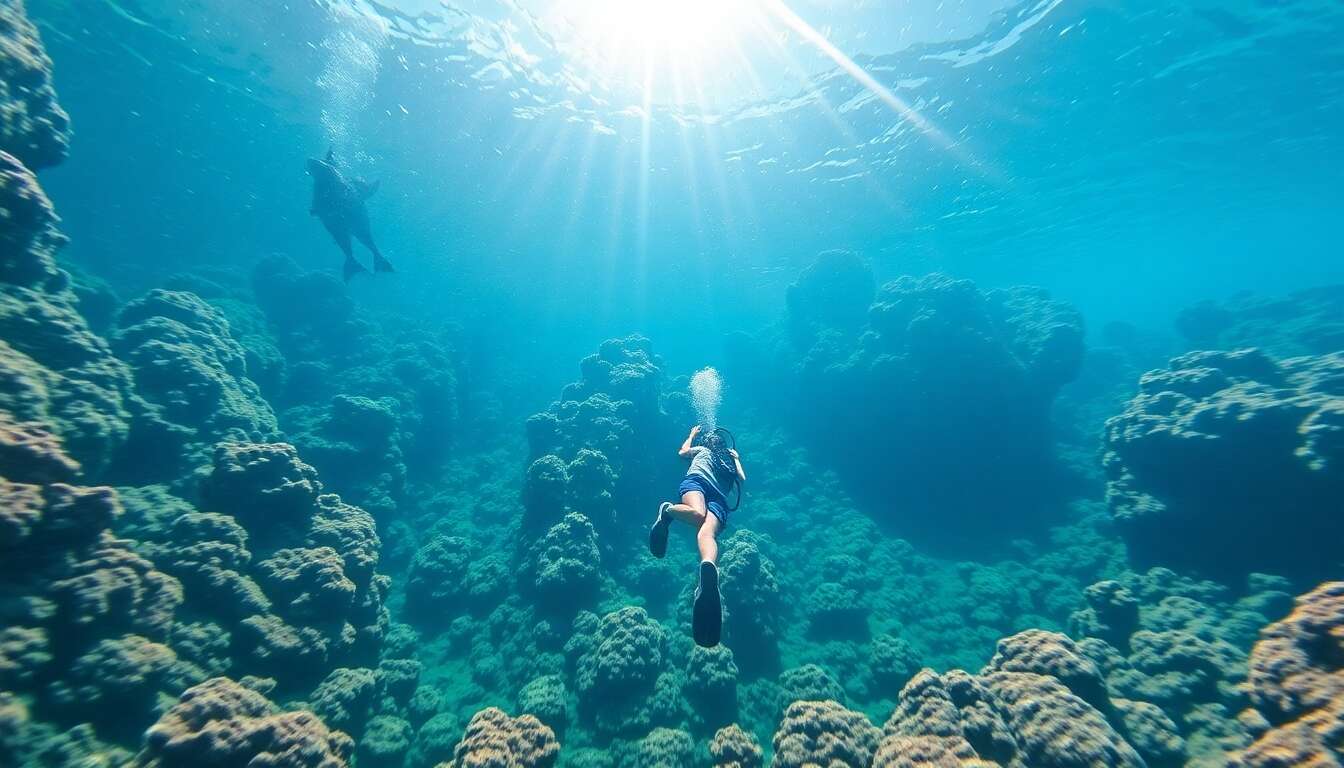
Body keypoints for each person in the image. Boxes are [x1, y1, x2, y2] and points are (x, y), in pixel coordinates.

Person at [649, 425, 746, 647]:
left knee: (705, 528)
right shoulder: (727, 461)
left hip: (709, 490)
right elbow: (742, 479)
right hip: (707, 488)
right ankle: (667, 511)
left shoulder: (703, 450)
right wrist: (737, 458)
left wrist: (691, 436)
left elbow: (682, 452)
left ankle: (707, 568)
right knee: (701, 519)